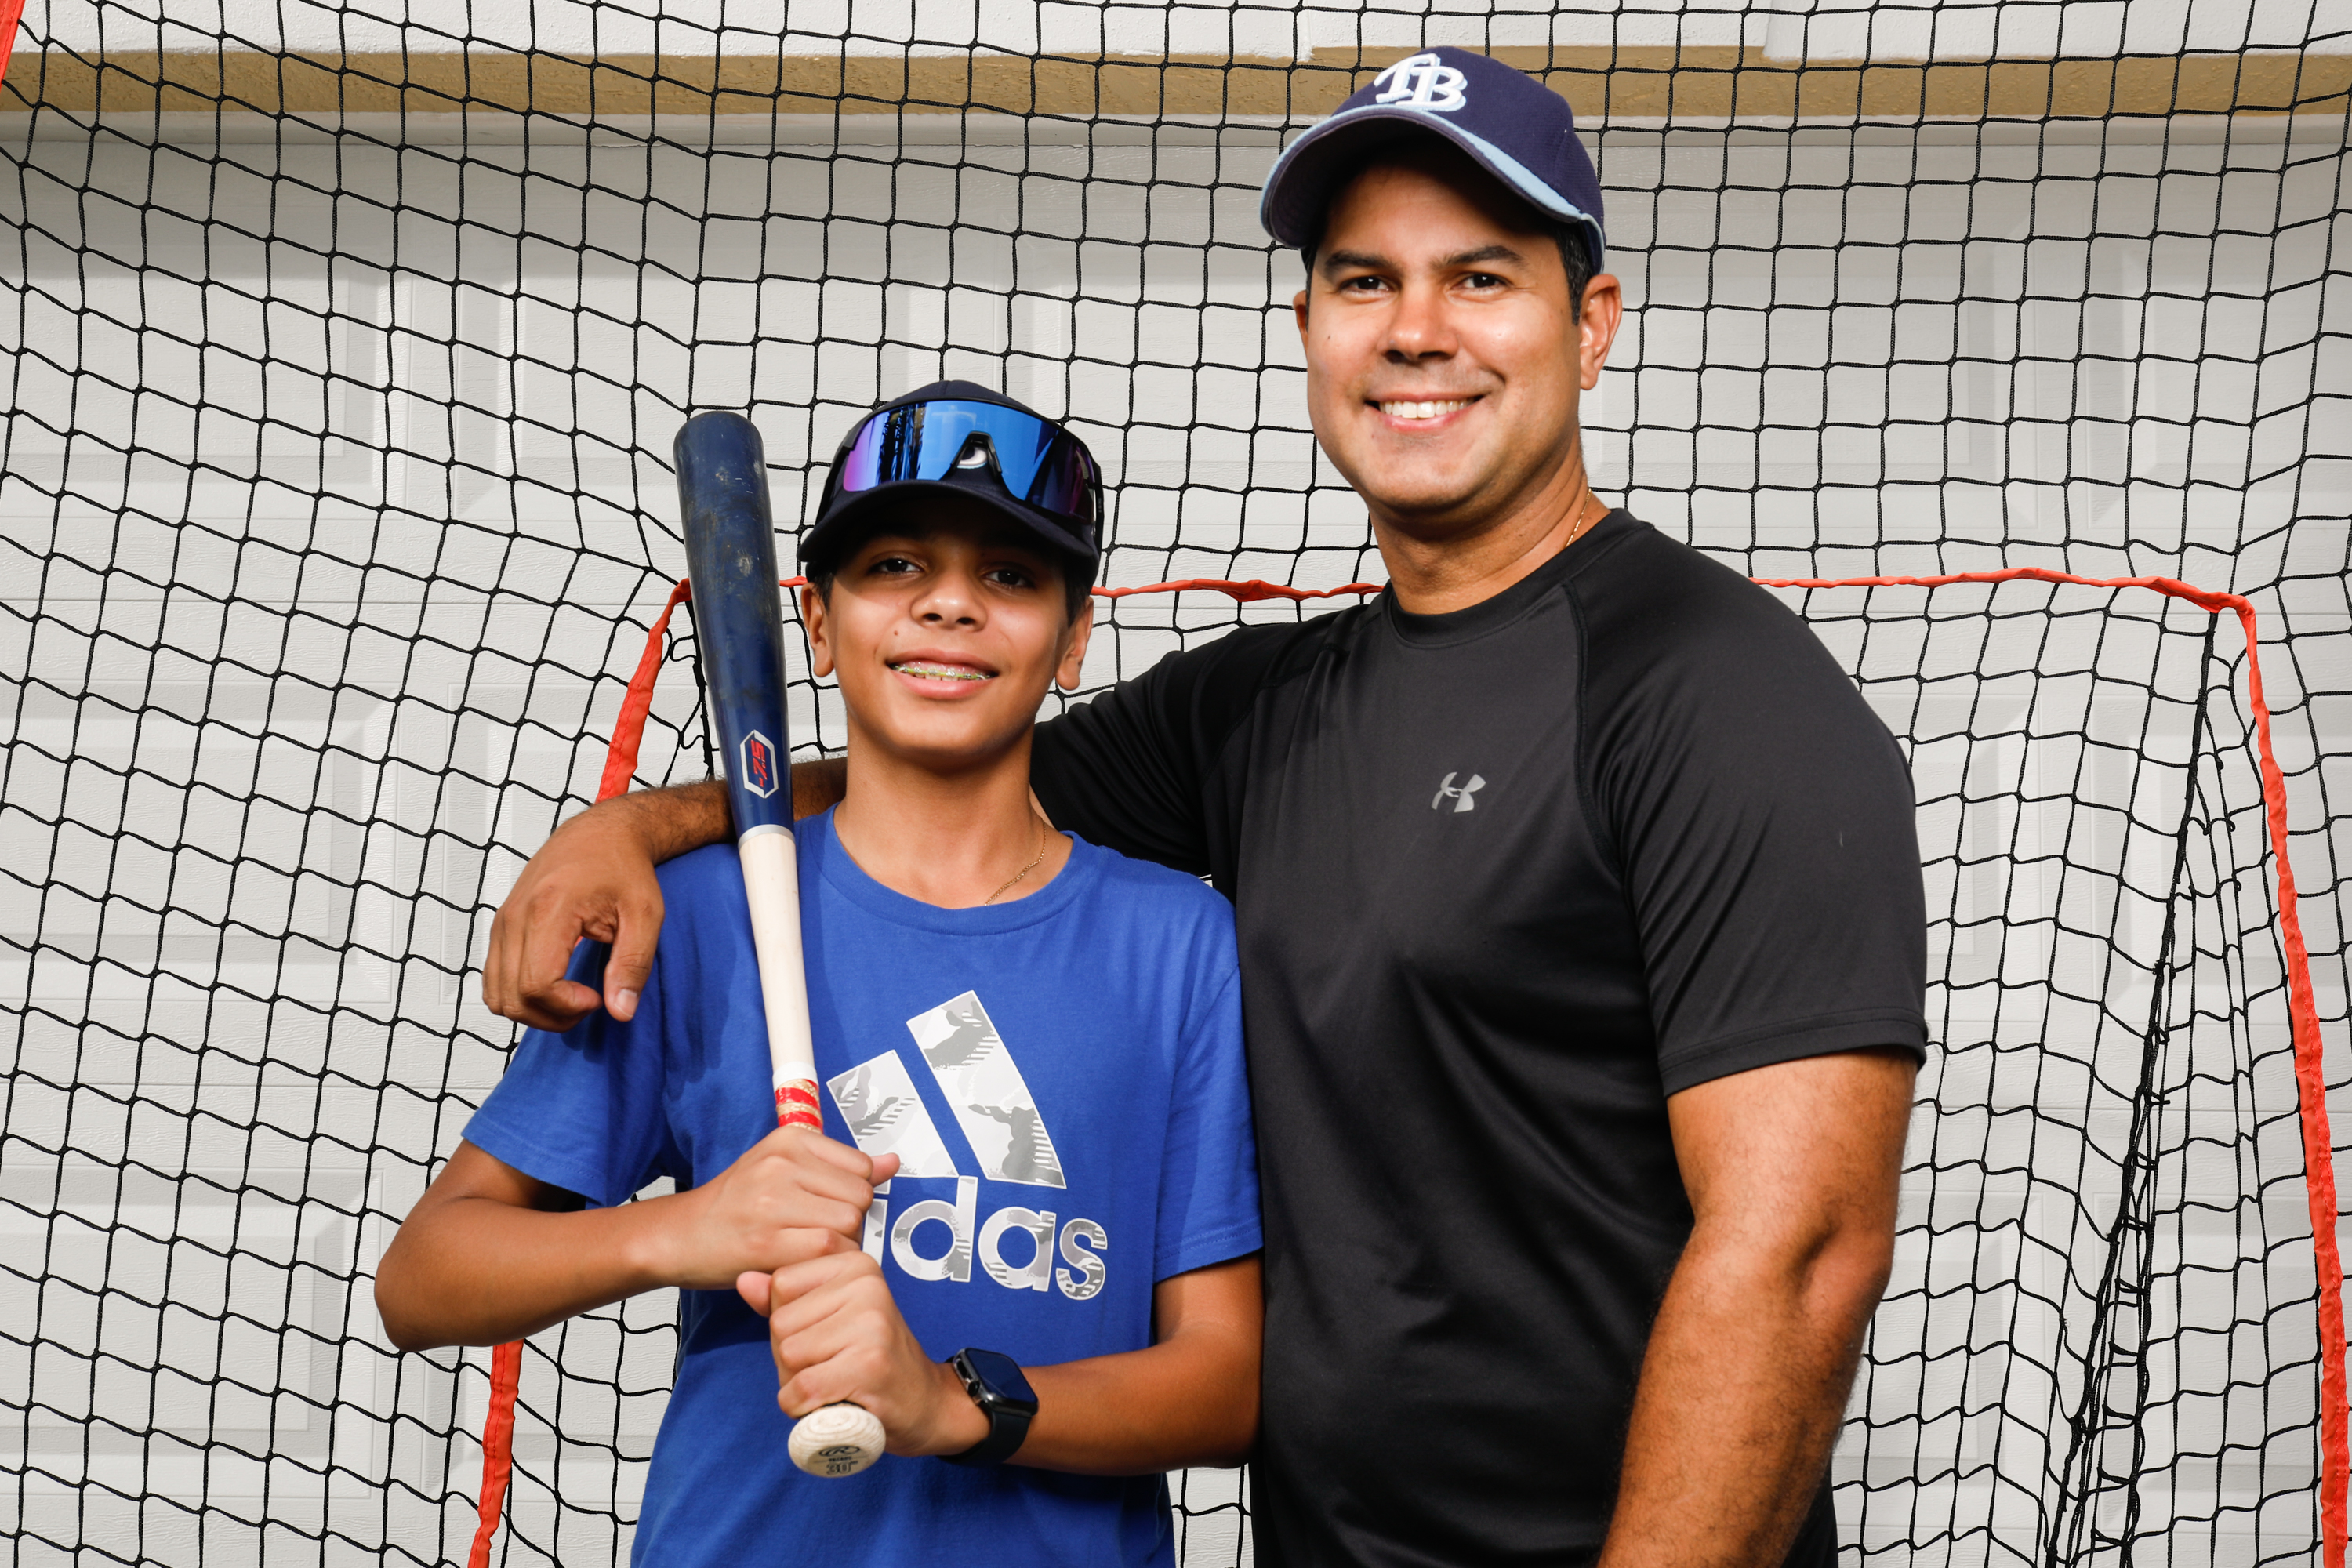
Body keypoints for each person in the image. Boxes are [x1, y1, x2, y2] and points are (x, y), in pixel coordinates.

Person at [480, 48, 1926, 1568]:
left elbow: (1802, 1255)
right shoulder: (1255, 713)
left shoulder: (1715, 692)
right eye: (1364, 282)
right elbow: (933, 779)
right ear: (1309, 329)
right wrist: (632, 829)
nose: (1418, 331)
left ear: (1593, 320)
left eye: (1482, 276)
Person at [376, 386, 1264, 1567]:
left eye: (1009, 575)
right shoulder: (700, 915)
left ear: (1074, 638)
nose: (949, 602)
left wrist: (951, 1406)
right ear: (815, 621)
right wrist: (685, 1231)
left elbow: (1224, 1384)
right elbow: (424, 1278)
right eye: (896, 565)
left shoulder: (1179, 944)